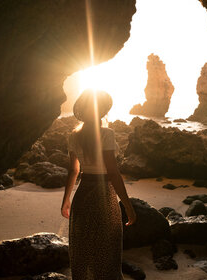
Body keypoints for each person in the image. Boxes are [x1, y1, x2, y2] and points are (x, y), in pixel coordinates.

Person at [61, 89, 136, 280]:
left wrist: (66, 200)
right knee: (107, 247)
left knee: (83, 248)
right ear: (102, 111)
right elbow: (112, 172)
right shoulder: (107, 134)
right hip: (104, 195)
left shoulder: (73, 136)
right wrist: (127, 205)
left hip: (83, 194)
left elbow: (74, 171)